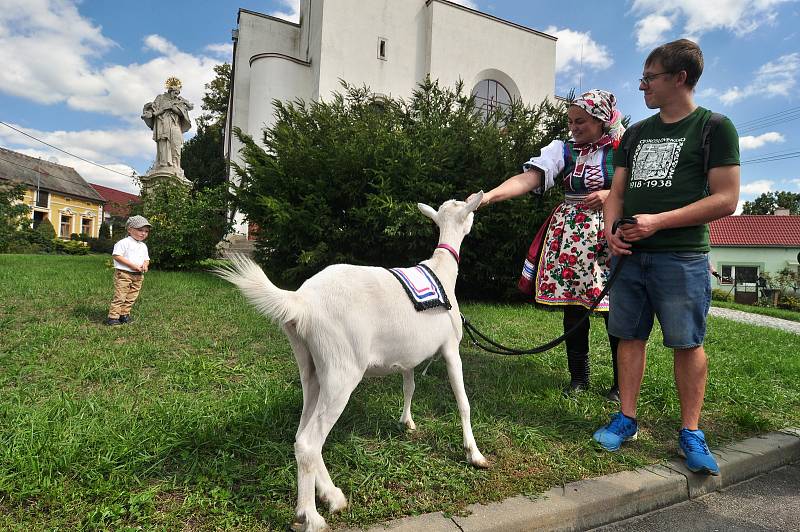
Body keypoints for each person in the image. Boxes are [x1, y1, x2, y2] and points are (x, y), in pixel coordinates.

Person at [592, 39, 740, 476]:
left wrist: (659, 221)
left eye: (650, 77)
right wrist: (610, 234)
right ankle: (627, 418)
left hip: (682, 257)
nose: (642, 86)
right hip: (630, 258)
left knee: (687, 342)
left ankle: (691, 431)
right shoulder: (635, 133)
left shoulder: (714, 127)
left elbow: (727, 199)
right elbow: (616, 194)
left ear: (680, 77)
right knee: (628, 337)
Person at [473, 89, 624, 401]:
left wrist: (611, 195)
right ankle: (579, 379)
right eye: (570, 121)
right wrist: (487, 197)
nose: (573, 127)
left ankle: (621, 384)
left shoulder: (623, 148)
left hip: (610, 233)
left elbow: (639, 188)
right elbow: (528, 179)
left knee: (616, 309)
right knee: (572, 306)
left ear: (600, 119)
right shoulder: (562, 150)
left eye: (580, 121)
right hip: (572, 236)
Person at [141, 77, 193, 178]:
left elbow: (185, 111)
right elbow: (154, 108)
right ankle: (163, 164)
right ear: (170, 90)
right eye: (175, 92)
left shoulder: (179, 101)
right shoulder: (160, 98)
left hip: (175, 125)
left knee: (176, 146)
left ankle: (176, 167)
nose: (176, 94)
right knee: (163, 143)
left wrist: (173, 107)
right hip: (163, 124)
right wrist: (149, 114)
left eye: (178, 93)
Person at [105, 215, 151, 326]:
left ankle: (124, 315)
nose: (143, 233)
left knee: (132, 296)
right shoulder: (124, 243)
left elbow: (146, 259)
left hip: (138, 275)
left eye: (146, 231)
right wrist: (132, 265)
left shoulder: (143, 246)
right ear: (129, 229)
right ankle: (113, 317)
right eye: (140, 230)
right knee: (120, 296)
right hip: (124, 274)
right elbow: (117, 256)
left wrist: (145, 265)